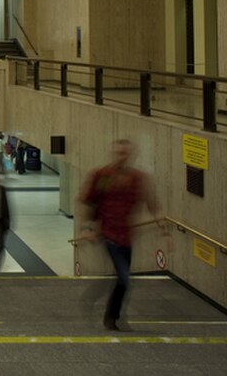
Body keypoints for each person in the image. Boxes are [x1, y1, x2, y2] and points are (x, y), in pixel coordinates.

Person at [79, 139, 163, 331]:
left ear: (130, 156)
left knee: (123, 278)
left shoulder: (137, 178)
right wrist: (87, 228)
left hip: (127, 236)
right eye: (118, 153)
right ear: (113, 154)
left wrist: (162, 225)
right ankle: (111, 317)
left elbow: (152, 202)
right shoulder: (102, 176)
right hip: (109, 234)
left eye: (125, 154)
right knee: (124, 277)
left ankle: (108, 310)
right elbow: (89, 202)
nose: (121, 157)